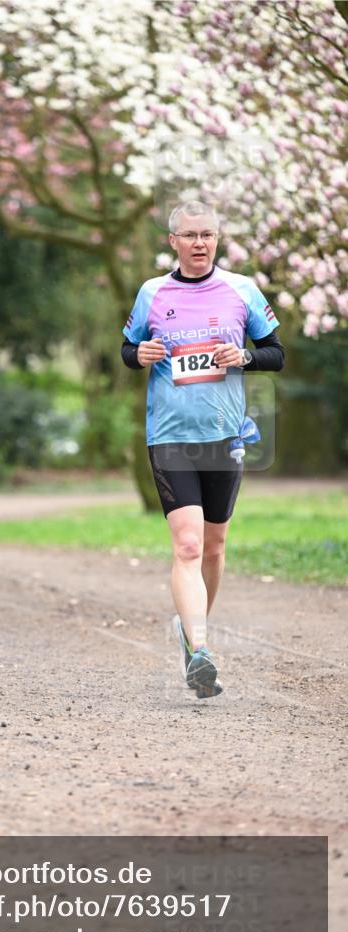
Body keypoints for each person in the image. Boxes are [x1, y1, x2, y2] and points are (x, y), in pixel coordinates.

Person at [121, 201, 284, 698]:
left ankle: (191, 634)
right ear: (172, 241)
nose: (199, 243)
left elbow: (276, 354)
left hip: (224, 435)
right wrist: (140, 354)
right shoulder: (153, 292)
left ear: (217, 240)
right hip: (170, 435)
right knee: (188, 545)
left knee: (213, 546)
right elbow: (129, 350)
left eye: (207, 235)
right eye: (189, 235)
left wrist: (246, 356)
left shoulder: (242, 290)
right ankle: (200, 648)